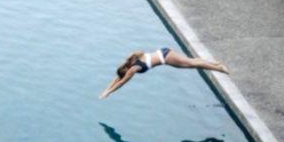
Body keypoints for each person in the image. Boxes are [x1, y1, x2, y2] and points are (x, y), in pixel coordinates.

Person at [98, 46, 228, 99]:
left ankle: (219, 68)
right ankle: (214, 63)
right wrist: (106, 90)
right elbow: (117, 79)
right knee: (190, 63)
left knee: (191, 64)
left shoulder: (133, 69)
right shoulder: (130, 61)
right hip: (164, 52)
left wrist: (109, 93)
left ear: (126, 71)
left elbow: (122, 82)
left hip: (165, 58)